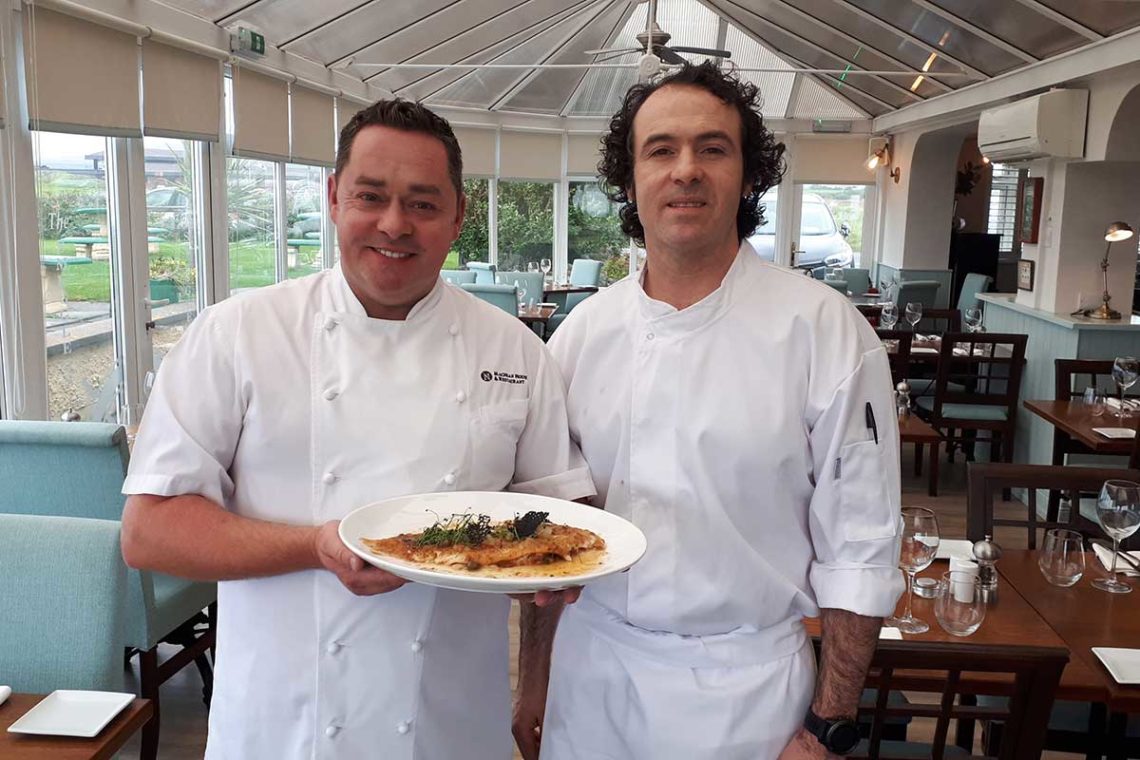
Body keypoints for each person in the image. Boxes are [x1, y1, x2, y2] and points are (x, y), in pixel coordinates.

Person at [121, 99, 594, 760]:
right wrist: (316, 546)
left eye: (424, 204)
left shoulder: (517, 353)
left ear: (458, 216)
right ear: (335, 197)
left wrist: (537, 687)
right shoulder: (238, 335)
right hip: (283, 724)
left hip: (450, 722)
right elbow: (148, 532)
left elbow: (559, 527)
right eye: (371, 196)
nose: (394, 225)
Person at [514, 62, 903, 760]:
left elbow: (861, 547)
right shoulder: (580, 336)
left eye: (713, 148)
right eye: (661, 150)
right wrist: (533, 682)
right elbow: (553, 536)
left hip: (750, 695)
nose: (685, 169)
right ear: (629, 183)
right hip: (592, 678)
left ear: (749, 175)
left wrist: (827, 728)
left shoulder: (825, 330)